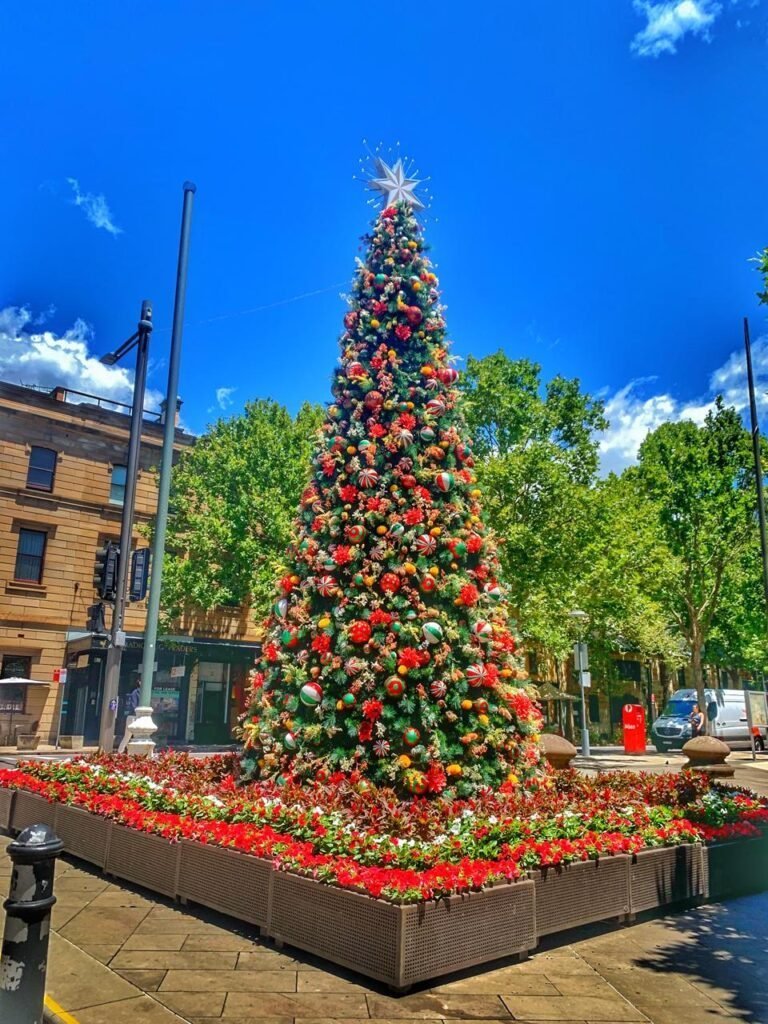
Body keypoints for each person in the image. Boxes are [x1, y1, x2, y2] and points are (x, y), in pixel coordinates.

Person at [117, 682, 142, 753]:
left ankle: (129, 752)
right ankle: (120, 752)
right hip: (133, 717)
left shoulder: (143, 693)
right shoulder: (135, 692)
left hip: (139, 717)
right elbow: (133, 705)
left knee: (138, 737)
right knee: (127, 736)